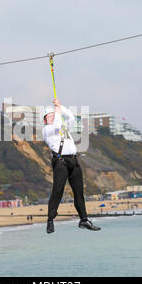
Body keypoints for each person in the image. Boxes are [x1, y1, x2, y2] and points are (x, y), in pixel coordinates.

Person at [42, 98, 100, 234]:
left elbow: (71, 118)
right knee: (58, 190)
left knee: (79, 192)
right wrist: (56, 112)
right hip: (60, 162)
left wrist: (60, 107)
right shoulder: (47, 130)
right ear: (45, 120)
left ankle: (84, 219)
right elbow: (57, 124)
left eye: (52, 115)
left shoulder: (62, 125)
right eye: (48, 116)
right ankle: (50, 220)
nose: (52, 117)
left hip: (73, 161)